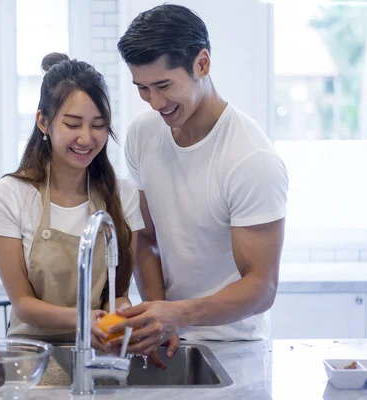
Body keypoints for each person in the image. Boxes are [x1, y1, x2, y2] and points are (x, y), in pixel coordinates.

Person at [107, 4, 289, 364]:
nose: (155, 103)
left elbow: (262, 287)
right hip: (171, 339)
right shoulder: (142, 135)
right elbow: (146, 238)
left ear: (202, 64)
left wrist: (178, 315)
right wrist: (161, 317)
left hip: (235, 349)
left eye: (163, 85)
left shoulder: (251, 159)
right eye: (142, 88)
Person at [0, 53, 145, 349]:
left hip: (98, 350)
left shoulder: (123, 195)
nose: (87, 138)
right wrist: (86, 319)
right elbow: (23, 304)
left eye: (98, 125)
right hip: (30, 356)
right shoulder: (8, 196)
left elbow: (118, 294)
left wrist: (122, 317)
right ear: (43, 122)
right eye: (73, 124)